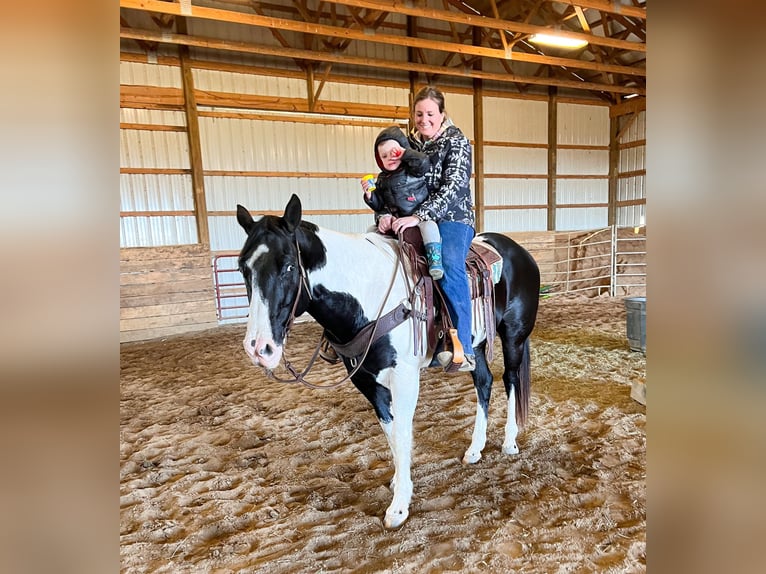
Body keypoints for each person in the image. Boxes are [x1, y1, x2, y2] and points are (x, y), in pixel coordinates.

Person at [383, 86, 477, 372]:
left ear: (442, 114)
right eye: (419, 114)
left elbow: (454, 187)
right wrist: (385, 212)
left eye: (430, 114)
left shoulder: (457, 142)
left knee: (449, 266)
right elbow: (393, 180)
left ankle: (464, 347)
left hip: (453, 218)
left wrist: (420, 215)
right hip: (413, 217)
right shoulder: (409, 144)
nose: (424, 119)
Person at [362, 125, 444, 280]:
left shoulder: (414, 170)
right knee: (371, 230)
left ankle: (435, 260)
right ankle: (375, 261)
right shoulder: (382, 179)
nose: (390, 158)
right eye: (384, 156)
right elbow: (380, 205)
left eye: (394, 152)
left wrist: (405, 154)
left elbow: (423, 162)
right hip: (397, 221)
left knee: (430, 226)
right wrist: (371, 197)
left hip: (418, 217)